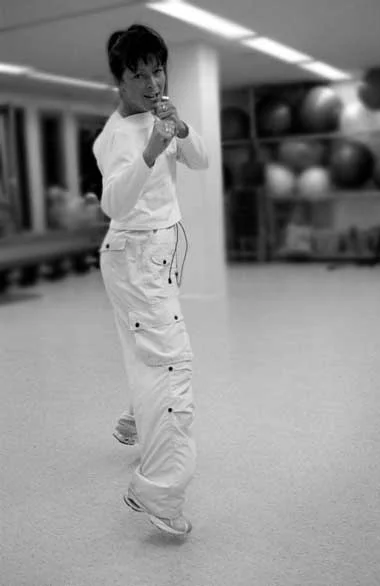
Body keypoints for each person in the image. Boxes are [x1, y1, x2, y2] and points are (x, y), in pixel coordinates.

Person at [93, 23, 209, 537]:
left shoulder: (161, 116)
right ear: (119, 81)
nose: (152, 82)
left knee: (149, 351)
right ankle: (158, 491)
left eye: (157, 70)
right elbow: (113, 203)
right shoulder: (115, 136)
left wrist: (179, 130)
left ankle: (134, 421)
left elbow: (202, 160)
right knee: (172, 365)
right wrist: (149, 151)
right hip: (137, 255)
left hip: (155, 254)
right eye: (138, 74)